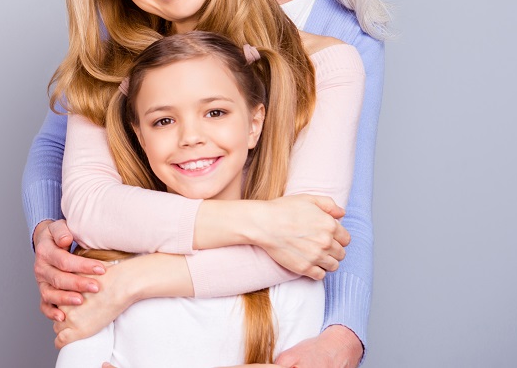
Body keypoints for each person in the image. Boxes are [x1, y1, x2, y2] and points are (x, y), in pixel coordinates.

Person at [23, 0, 420, 366]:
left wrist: (344, 334)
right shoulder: (119, 45)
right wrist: (47, 231)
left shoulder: (334, 55)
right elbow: (81, 190)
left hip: (266, 325)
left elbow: (327, 227)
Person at [55, 31, 363, 368]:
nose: (190, 137)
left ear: (254, 124)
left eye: (215, 113)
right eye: (164, 120)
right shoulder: (101, 275)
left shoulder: (291, 276)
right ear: (140, 136)